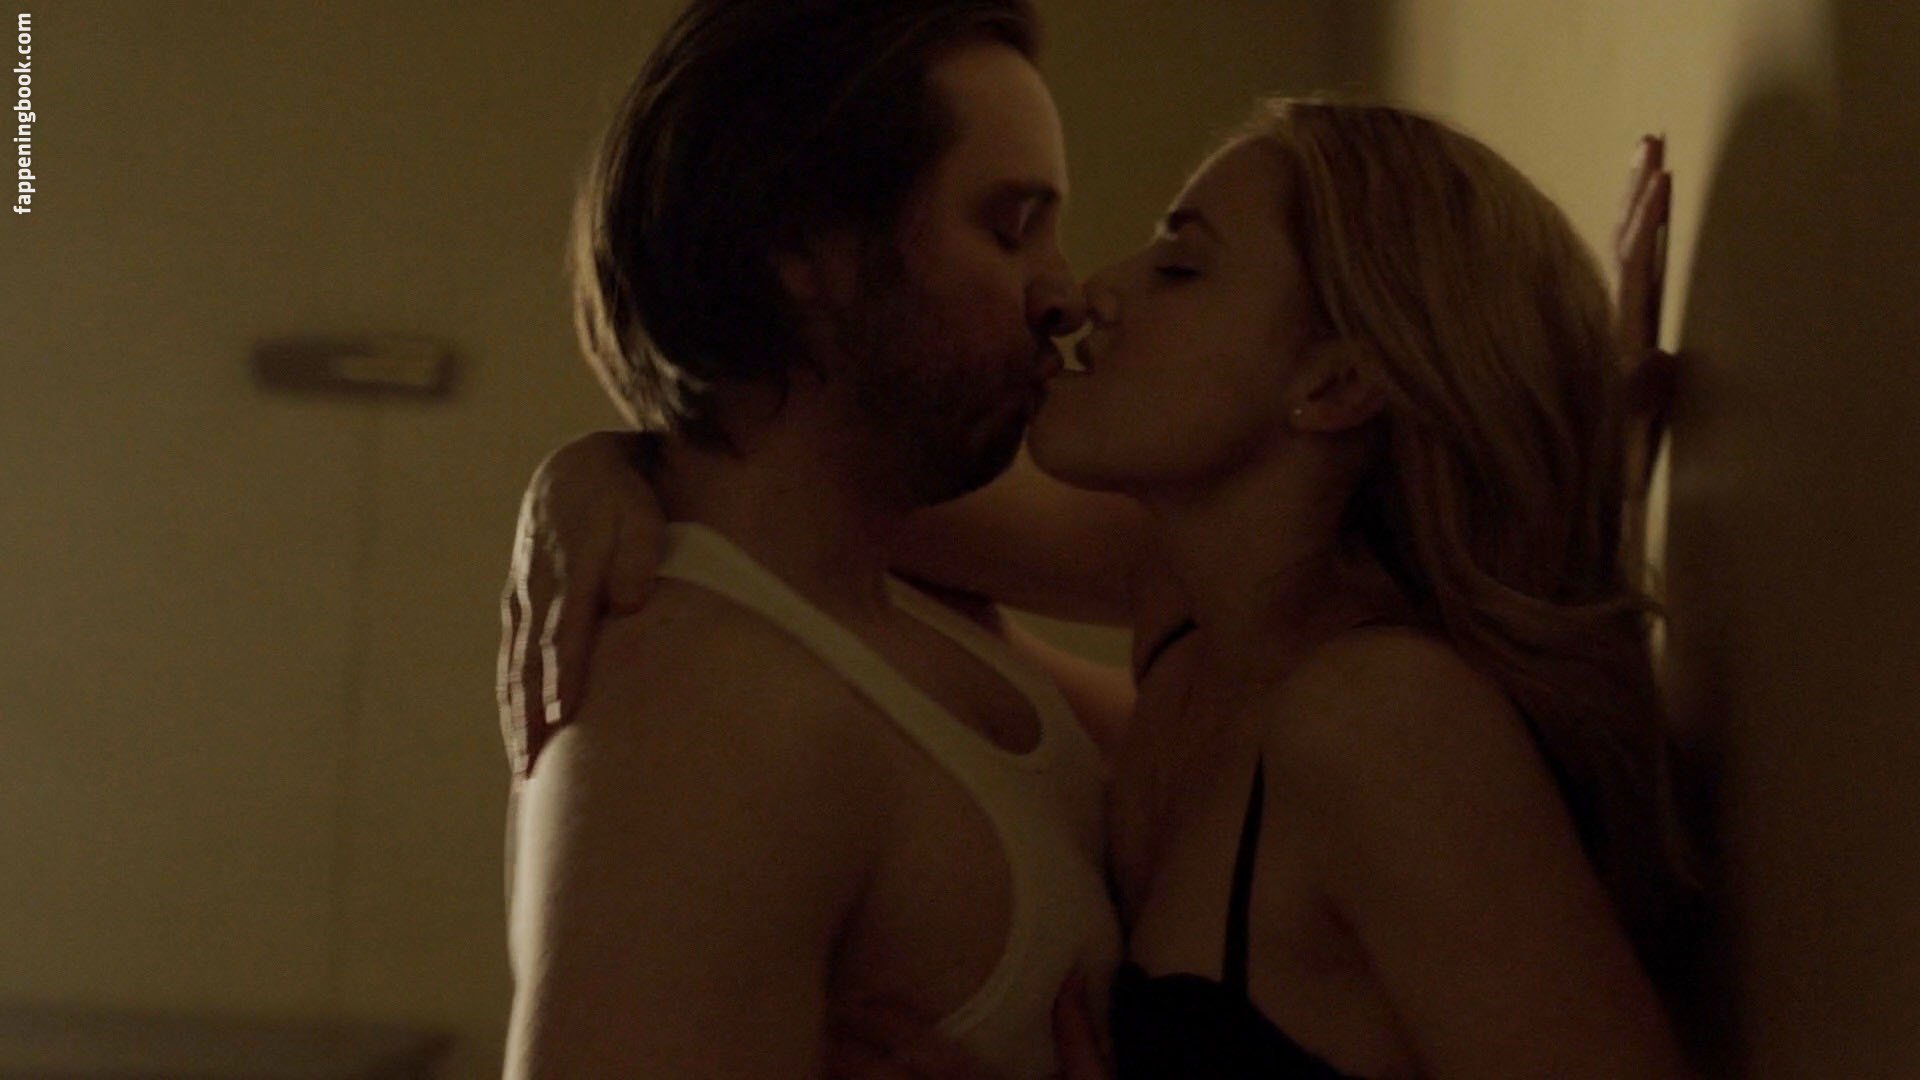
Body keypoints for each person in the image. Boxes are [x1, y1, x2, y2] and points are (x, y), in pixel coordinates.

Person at [503, 99, 1698, 1077]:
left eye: (1182, 266)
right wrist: (593, 474)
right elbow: (789, 461)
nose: (1084, 296)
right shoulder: (1193, 631)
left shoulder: (1385, 724)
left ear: (1336, 385)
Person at [499, 2, 1132, 1076]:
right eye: (1009, 228)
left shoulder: (923, 617)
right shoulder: (707, 709)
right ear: (802, 245)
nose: (1065, 295)